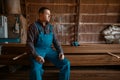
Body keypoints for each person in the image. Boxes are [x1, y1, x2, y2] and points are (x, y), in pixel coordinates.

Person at [26, 7, 70, 80]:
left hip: (49, 50)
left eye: (50, 14)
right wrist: (36, 56)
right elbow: (29, 43)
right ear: (40, 15)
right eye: (47, 14)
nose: (49, 16)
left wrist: (61, 52)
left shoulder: (50, 27)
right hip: (37, 50)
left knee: (66, 63)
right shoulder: (33, 26)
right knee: (36, 70)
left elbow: (55, 41)